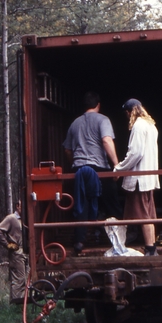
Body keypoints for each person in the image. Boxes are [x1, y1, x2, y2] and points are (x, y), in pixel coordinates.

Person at [62, 91, 123, 254]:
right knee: (112, 203)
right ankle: (119, 240)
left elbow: (67, 150)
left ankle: (79, 242)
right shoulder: (103, 120)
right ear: (98, 105)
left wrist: (76, 164)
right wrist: (116, 165)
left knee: (82, 205)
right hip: (99, 170)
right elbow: (106, 140)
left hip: (80, 170)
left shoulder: (75, 123)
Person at [114, 99, 160, 256]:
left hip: (140, 180)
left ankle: (150, 248)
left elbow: (136, 153)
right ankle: (151, 247)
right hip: (149, 178)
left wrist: (119, 168)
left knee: (143, 214)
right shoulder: (151, 125)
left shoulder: (138, 126)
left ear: (129, 112)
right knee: (148, 214)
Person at [0, 200, 28, 303]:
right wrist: (8, 245)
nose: (24, 209)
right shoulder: (11, 218)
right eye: (22, 206)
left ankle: (22, 303)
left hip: (25, 253)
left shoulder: (24, 220)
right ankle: (16, 304)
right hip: (17, 253)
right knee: (19, 279)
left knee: (24, 279)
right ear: (17, 206)